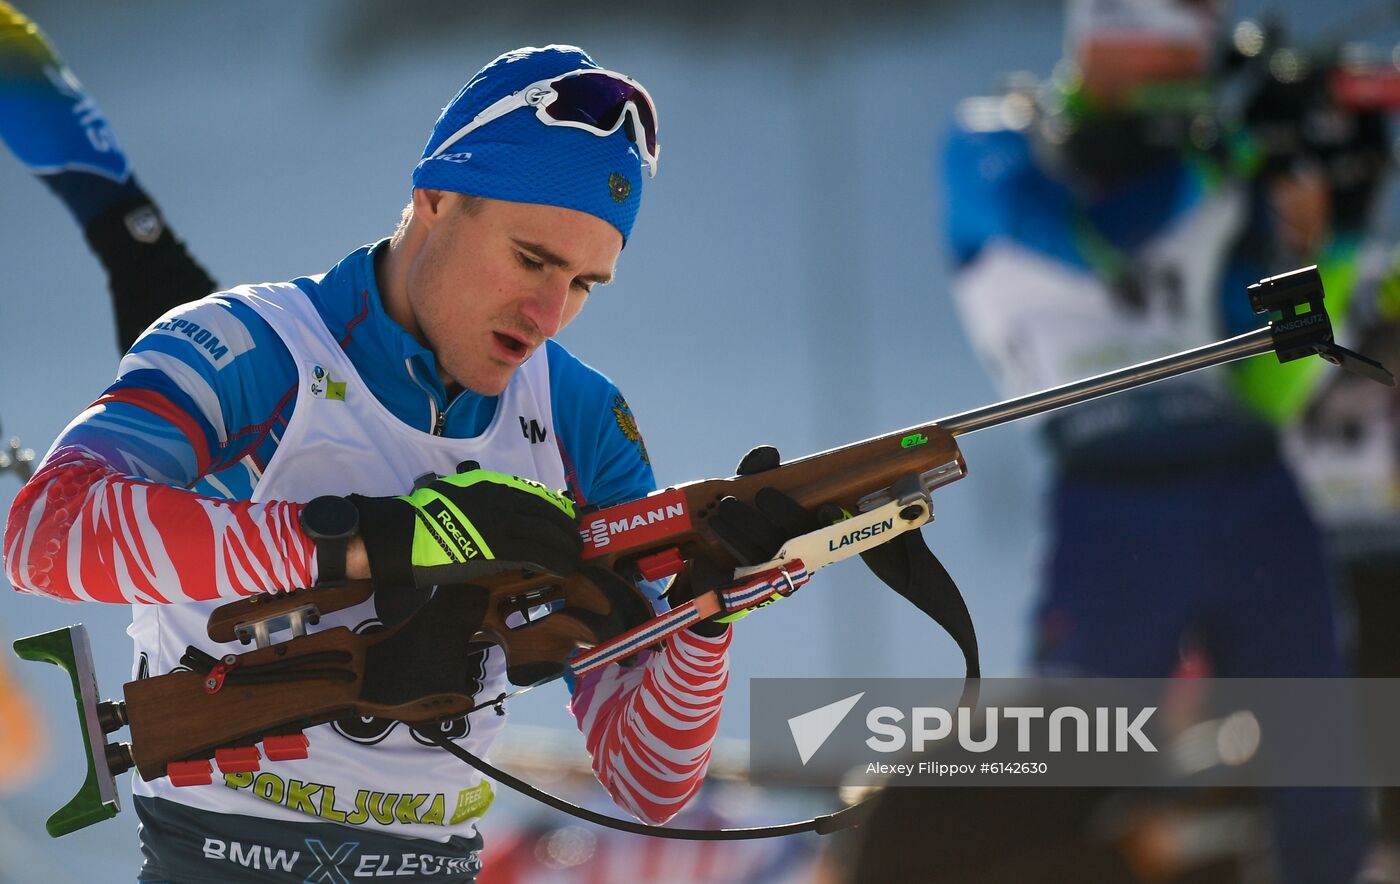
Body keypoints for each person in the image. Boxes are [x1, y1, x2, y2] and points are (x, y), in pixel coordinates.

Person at [1, 37, 761, 883]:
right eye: (531, 259)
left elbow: (648, 780)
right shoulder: (255, 346)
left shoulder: (580, 416)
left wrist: (705, 618)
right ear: (434, 199)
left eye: (585, 284)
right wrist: (374, 541)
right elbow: (45, 532)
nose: (549, 311)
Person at [939, 0, 1367, 880]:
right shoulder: (996, 143)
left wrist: (1342, 227)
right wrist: (1226, 150)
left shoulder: (1207, 165)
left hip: (1249, 487)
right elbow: (1100, 238)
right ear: (1105, 32)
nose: (1199, 60)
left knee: (1320, 770)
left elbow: (1273, 379)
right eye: (1184, 37)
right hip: (1113, 502)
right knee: (1075, 770)